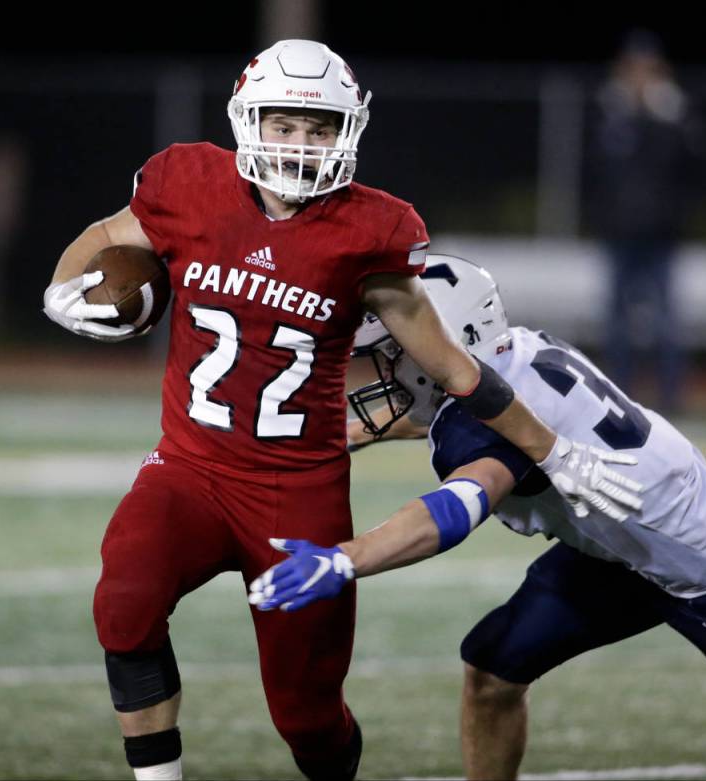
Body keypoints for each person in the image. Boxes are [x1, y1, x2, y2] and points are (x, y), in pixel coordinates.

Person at [42, 41, 639, 781]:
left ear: (346, 132)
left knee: (306, 714)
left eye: (318, 129)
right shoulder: (184, 182)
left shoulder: (370, 232)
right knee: (124, 601)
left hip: (297, 490)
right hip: (189, 467)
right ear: (248, 119)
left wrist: (552, 450)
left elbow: (456, 369)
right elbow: (106, 236)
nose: (299, 145)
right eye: (284, 125)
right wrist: (61, 287)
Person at [249, 254, 706, 780]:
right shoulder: (513, 354)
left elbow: (457, 506)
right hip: (619, 550)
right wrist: (373, 429)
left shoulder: (482, 425)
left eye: (402, 344)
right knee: (493, 666)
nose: (388, 361)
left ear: (451, 341)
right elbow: (491, 418)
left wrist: (346, 557)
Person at [589, 30, 706, 412]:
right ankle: (620, 400)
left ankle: (671, 402)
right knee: (617, 326)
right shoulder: (609, 114)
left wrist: (669, 119)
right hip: (619, 234)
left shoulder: (675, 115)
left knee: (665, 325)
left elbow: (697, 168)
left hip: (661, 234)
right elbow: (593, 171)